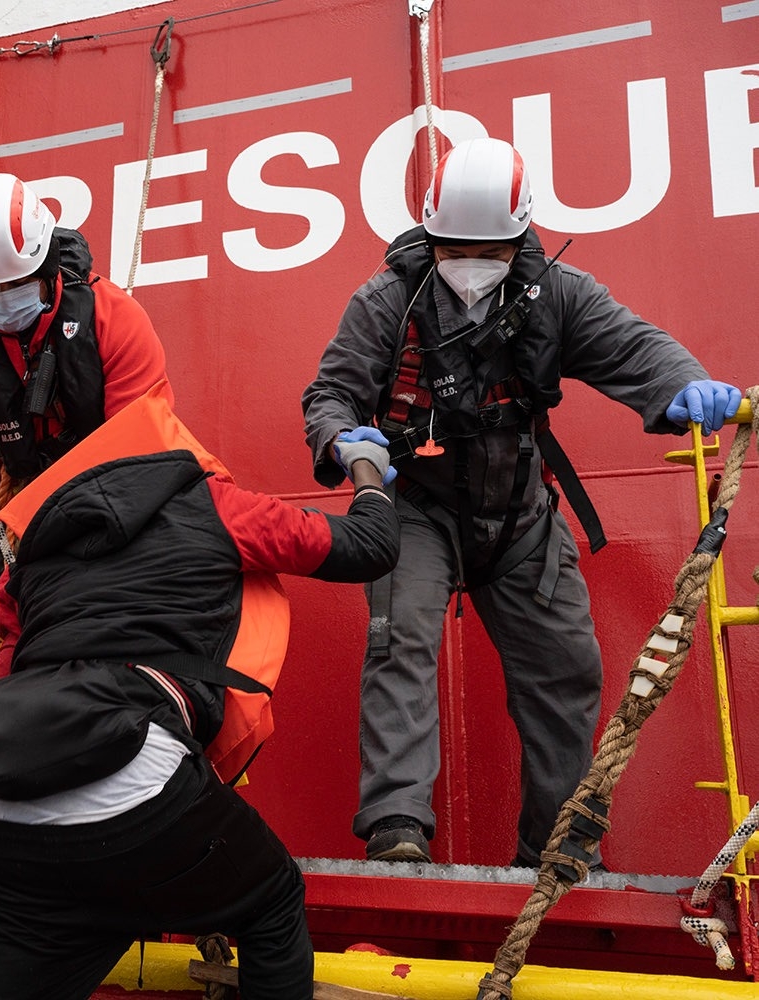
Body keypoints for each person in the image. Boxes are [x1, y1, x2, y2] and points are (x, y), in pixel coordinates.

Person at [300, 137, 744, 867]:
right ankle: (397, 828)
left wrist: (683, 385)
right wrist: (342, 438)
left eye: (490, 249)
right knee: (400, 644)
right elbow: (332, 391)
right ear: (430, 234)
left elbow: (637, 350)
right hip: (415, 507)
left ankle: (558, 846)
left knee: (568, 668)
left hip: (519, 514)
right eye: (453, 248)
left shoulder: (558, 294)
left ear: (520, 238)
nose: (469, 262)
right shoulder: (387, 300)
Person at [0, 389, 400, 1000]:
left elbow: (7, 671)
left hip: (5, 804)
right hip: (136, 778)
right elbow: (370, 546)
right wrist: (367, 473)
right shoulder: (214, 505)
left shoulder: (33, 556)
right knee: (272, 901)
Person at [0, 172, 173, 635]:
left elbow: (143, 446)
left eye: (16, 284)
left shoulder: (115, 321)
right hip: (8, 507)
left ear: (46, 267)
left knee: (101, 634)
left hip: (103, 506)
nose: (3, 301)